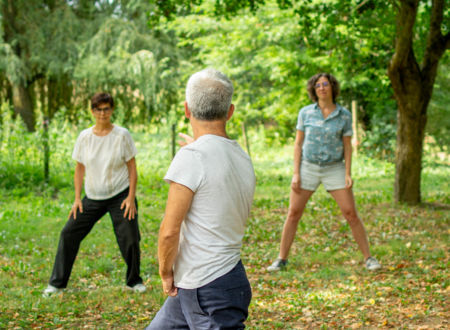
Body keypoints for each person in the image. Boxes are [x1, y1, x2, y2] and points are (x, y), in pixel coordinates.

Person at [147, 68, 256, 329]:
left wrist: (164, 272)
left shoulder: (193, 157)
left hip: (208, 288)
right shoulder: (240, 156)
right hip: (205, 283)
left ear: (187, 109)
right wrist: (195, 150)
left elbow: (169, 232)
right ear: (230, 112)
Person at [267, 73, 381, 272]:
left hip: (334, 168)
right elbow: (298, 144)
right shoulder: (305, 113)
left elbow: (347, 146)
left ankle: (369, 258)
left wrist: (347, 173)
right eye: (318, 85)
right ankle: (281, 259)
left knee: (350, 213)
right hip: (308, 167)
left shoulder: (344, 115)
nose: (322, 88)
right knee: (293, 213)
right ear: (314, 90)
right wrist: (296, 173)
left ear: (332, 88)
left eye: (325, 84)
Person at [43, 92, 146, 296]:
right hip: (92, 196)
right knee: (68, 232)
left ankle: (134, 281)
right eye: (98, 109)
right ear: (92, 111)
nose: (102, 113)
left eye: (106, 109)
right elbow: (79, 168)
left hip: (120, 195)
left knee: (130, 238)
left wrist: (130, 198)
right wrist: (76, 199)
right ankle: (56, 284)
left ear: (112, 110)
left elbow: (132, 168)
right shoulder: (85, 137)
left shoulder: (122, 135)